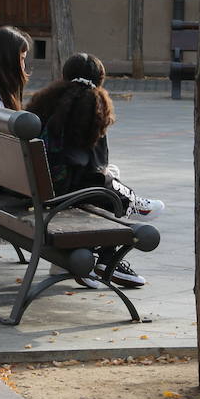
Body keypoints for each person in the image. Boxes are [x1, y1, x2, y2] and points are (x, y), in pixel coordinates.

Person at [26, 53, 163, 289]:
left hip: (37, 187)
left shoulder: (46, 101)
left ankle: (127, 210)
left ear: (64, 76)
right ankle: (109, 256)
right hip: (62, 194)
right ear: (100, 81)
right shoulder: (90, 106)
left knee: (108, 180)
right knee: (109, 194)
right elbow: (91, 168)